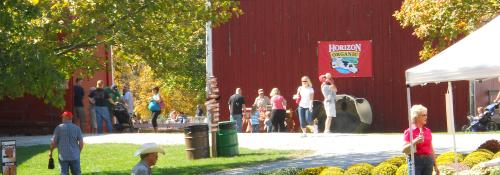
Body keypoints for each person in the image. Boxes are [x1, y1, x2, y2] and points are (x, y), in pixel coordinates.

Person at [403, 104, 440, 175]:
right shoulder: (409, 131)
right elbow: (404, 149)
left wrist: (435, 166)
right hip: (415, 162)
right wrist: (415, 141)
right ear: (416, 117)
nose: (426, 117)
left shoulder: (427, 131)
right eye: (423, 115)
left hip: (428, 161)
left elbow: (431, 149)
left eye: (426, 115)